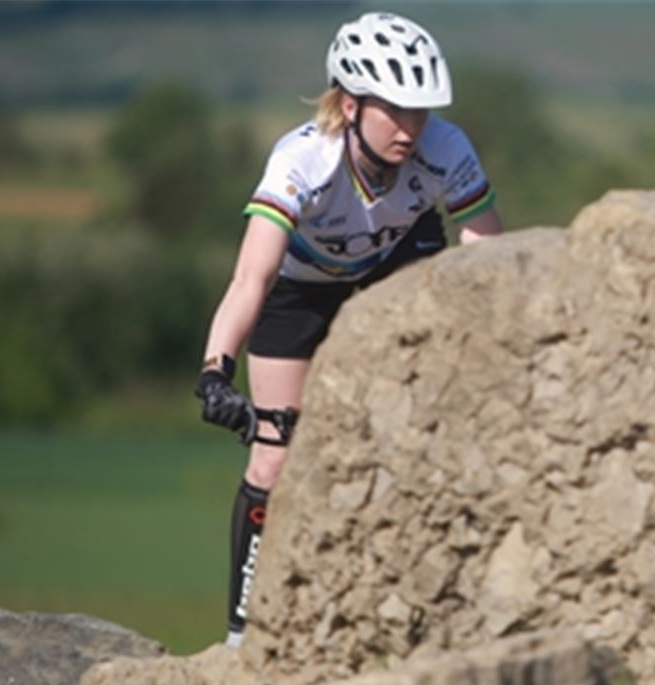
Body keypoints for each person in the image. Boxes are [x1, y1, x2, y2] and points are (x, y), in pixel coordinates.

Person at [195, 11, 503, 647]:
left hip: (392, 270)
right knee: (275, 460)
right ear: (351, 103)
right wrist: (215, 370)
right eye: (396, 111)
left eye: (422, 112)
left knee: (414, 435)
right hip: (301, 290)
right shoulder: (302, 160)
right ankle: (241, 636)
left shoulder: (447, 149)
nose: (412, 129)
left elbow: (493, 263)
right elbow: (250, 279)